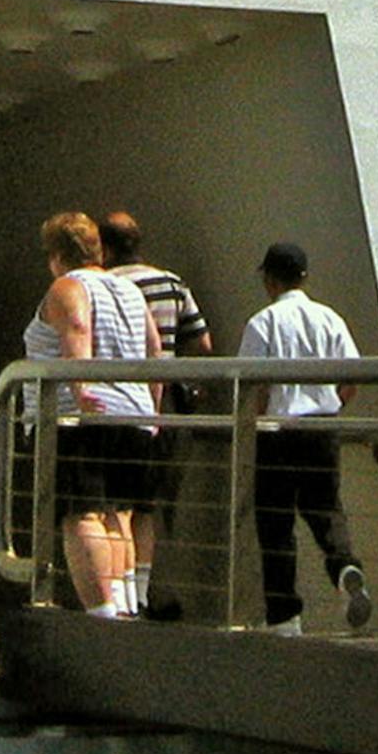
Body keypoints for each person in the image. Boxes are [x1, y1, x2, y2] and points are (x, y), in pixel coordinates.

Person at [21, 210, 161, 617]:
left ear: (57, 255)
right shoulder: (128, 290)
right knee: (117, 515)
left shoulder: (68, 286)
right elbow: (154, 349)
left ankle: (100, 612)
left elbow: (77, 329)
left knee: (80, 514)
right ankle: (121, 605)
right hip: (133, 415)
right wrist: (152, 409)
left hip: (82, 417)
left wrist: (82, 388)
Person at [236, 240, 371, 635]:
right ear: (304, 277)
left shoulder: (263, 322)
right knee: (326, 508)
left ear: (270, 279)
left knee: (275, 523)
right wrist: (332, 406)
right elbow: (353, 377)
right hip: (322, 427)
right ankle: (344, 565)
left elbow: (254, 385)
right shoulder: (329, 318)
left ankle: (285, 617)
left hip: (278, 430)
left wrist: (257, 420)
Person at [100, 211, 211, 617]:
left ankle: (120, 594)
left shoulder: (107, 286)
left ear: (105, 248)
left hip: (123, 400)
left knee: (116, 504)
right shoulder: (171, 282)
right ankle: (145, 593)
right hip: (167, 405)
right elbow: (202, 343)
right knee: (151, 504)